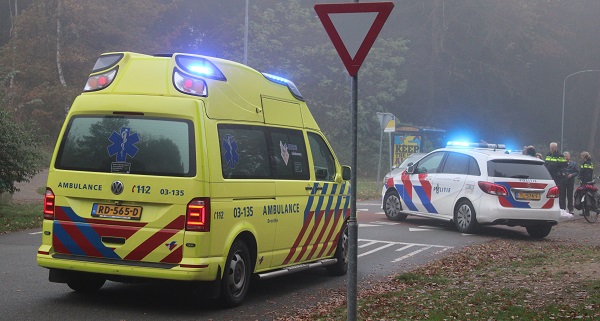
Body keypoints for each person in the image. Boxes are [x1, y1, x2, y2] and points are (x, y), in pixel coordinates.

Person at [544, 142, 567, 210]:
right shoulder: (548, 154)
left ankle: (561, 208)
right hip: (549, 176)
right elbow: (546, 164)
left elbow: (564, 165)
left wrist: (561, 172)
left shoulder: (560, 155)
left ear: (556, 148)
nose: (551, 149)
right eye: (551, 147)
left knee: (559, 192)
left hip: (557, 176)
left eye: (553, 147)